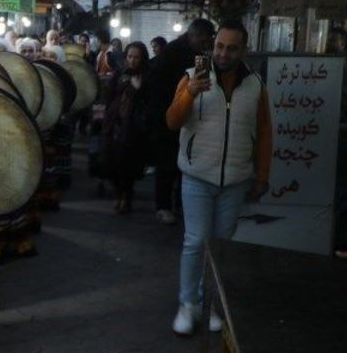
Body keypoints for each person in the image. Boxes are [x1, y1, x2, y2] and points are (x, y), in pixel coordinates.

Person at [165, 19, 272, 336]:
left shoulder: (255, 85)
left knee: (222, 246)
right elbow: (172, 122)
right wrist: (189, 95)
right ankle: (188, 304)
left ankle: (213, 304)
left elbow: (264, 133)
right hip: (197, 176)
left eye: (232, 48)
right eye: (220, 46)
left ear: (243, 50)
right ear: (213, 45)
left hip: (236, 180)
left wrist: (262, 175)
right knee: (195, 241)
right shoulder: (190, 77)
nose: (223, 53)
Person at [145, 18, 216, 226]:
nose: (206, 43)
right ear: (194, 35)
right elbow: (158, 87)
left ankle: (179, 204)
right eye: (204, 39)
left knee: (183, 164)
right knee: (167, 164)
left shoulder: (200, 54)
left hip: (188, 117)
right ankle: (163, 206)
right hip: (167, 117)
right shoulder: (173, 52)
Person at [101, 42, 150, 214]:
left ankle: (126, 196)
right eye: (130, 56)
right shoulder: (119, 73)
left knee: (128, 165)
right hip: (115, 125)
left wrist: (138, 89)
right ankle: (118, 193)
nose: (132, 60)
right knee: (113, 163)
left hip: (133, 129)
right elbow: (109, 96)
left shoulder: (147, 76)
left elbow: (150, 101)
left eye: (136, 57)